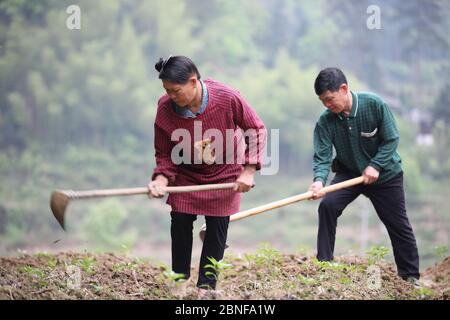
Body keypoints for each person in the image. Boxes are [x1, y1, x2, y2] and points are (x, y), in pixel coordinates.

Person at [148, 55, 266, 294]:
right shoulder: (165, 108)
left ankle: (206, 288)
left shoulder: (227, 98)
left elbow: (255, 129)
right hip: (187, 173)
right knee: (180, 221)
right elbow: (164, 151)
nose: (171, 96)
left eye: (175, 90)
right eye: (167, 90)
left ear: (193, 82)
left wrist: (249, 170)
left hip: (226, 170)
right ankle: (179, 281)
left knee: (217, 228)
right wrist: (161, 178)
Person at [308, 67, 420, 282]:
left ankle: (410, 277)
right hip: (350, 174)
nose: (327, 105)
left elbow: (391, 139)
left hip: (385, 175)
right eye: (323, 101)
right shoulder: (325, 121)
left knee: (397, 224)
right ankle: (324, 266)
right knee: (327, 206)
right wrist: (319, 181)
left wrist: (376, 165)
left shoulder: (374, 104)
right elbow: (322, 156)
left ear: (344, 89)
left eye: (330, 99)